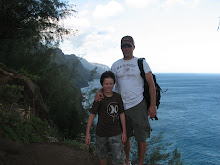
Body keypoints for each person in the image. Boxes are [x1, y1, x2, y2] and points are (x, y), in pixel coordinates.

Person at [95, 36, 157, 165]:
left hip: (138, 104)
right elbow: (108, 83)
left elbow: (151, 85)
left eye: (129, 46)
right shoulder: (115, 65)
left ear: (133, 47)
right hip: (121, 106)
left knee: (141, 137)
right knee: (125, 137)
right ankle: (127, 161)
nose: (126, 48)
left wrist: (152, 105)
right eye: (124, 46)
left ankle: (140, 163)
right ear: (121, 48)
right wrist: (99, 92)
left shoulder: (141, 63)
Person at [85, 71, 127, 165]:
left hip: (116, 133)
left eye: (111, 84)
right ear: (102, 84)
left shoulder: (117, 97)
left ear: (114, 84)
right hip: (101, 134)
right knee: (102, 156)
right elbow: (92, 115)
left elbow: (121, 114)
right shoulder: (99, 98)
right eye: (106, 84)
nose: (108, 86)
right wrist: (87, 134)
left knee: (118, 158)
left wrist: (124, 132)